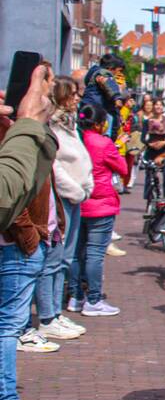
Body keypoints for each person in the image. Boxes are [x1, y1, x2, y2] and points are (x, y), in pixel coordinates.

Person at [0, 73, 64, 400]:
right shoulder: (11, 129)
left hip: (24, 240)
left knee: (9, 325)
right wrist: (28, 234)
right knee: (8, 327)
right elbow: (11, 191)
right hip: (14, 245)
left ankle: (5, 394)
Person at [36, 77, 92, 342]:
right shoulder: (53, 126)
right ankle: (47, 316)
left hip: (76, 197)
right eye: (73, 94)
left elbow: (80, 155)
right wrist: (75, 190)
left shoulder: (71, 125)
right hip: (64, 198)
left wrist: (87, 181)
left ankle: (56, 312)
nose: (78, 98)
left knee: (65, 259)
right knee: (53, 259)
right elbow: (54, 165)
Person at [67, 104, 127, 318]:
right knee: (95, 253)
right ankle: (93, 299)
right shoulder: (104, 143)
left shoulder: (75, 139)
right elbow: (123, 168)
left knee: (76, 252)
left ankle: (75, 296)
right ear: (100, 123)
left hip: (77, 200)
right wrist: (118, 147)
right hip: (100, 203)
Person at [0, 65, 58, 232]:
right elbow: (7, 194)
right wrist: (29, 123)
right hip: (20, 245)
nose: (54, 84)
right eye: (49, 79)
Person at [81, 53, 125, 138]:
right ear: (111, 68)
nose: (118, 74)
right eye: (119, 71)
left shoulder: (94, 73)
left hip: (87, 105)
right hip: (97, 107)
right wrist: (117, 97)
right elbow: (109, 84)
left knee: (83, 120)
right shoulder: (104, 73)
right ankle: (106, 137)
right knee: (109, 118)